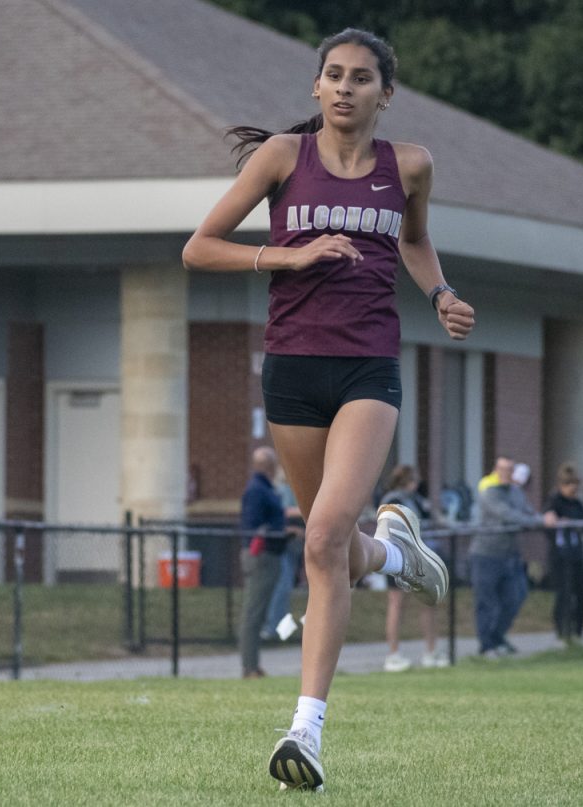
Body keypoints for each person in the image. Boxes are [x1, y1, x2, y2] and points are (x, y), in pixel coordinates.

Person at [182, 27, 475, 792]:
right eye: (333, 75)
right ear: (317, 88)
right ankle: (395, 554)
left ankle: (304, 730)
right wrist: (291, 254)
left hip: (366, 369)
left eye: (361, 77)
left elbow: (415, 242)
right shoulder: (284, 157)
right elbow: (198, 247)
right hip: (292, 373)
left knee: (318, 539)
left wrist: (440, 293)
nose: (345, 87)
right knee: (337, 550)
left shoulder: (409, 165)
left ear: (386, 93)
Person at [473, 458, 556, 658]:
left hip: (510, 555)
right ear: (495, 470)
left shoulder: (517, 493)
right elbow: (509, 515)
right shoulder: (489, 493)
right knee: (486, 601)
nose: (506, 473)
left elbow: (527, 512)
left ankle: (498, 637)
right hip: (486, 555)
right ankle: (486, 646)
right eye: (502, 469)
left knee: (516, 596)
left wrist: (543, 518)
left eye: (509, 469)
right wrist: (541, 521)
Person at [379, 465, 447, 672]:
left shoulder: (416, 499)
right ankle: (393, 654)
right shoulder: (393, 500)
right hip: (398, 557)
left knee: (428, 602)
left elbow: (430, 518)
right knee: (397, 604)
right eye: (414, 480)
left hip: (419, 557)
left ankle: (431, 650)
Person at [238, 446, 288, 678]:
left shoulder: (265, 489)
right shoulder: (257, 491)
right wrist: (280, 531)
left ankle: (254, 665)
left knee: (257, 612)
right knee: (253, 613)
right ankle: (249, 667)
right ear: (269, 466)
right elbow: (254, 527)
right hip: (261, 557)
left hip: (271, 555)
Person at [544, 463, 583, 642]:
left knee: (581, 593)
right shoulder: (553, 502)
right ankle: (562, 631)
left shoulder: (578, 503)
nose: (573, 488)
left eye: (575, 484)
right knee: (564, 594)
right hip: (560, 556)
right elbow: (548, 525)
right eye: (569, 484)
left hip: (577, 554)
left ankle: (578, 632)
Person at [262, 467, 305, 642]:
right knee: (282, 586)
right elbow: (283, 511)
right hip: (282, 544)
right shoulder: (282, 491)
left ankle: (280, 628)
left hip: (294, 544)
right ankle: (273, 627)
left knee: (286, 586)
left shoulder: (296, 490)